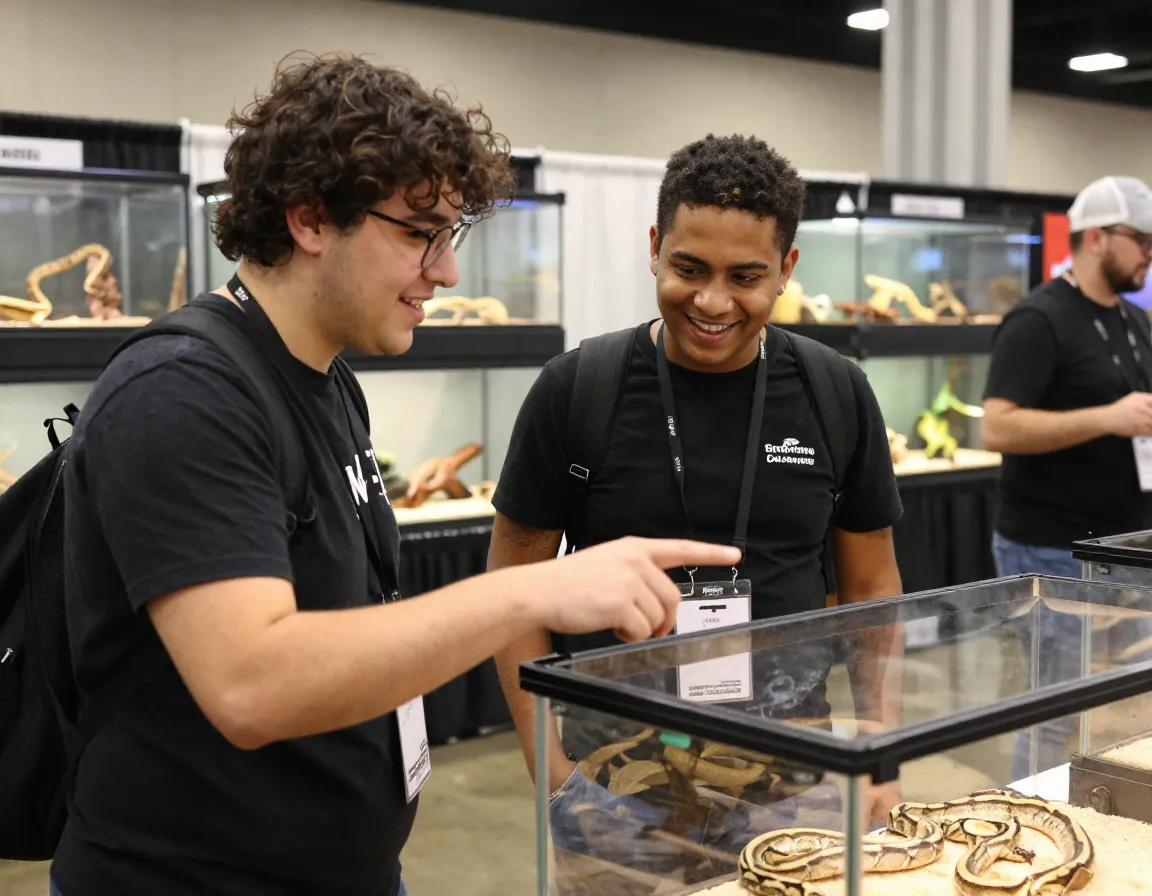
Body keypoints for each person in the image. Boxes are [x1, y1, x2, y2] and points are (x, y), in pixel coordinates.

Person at [50, 55, 741, 896]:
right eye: (419, 234)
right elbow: (251, 682)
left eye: (450, 237)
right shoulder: (182, 395)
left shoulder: (328, 381)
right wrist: (528, 595)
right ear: (309, 218)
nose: (446, 273)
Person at [489, 133, 906, 845]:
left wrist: (882, 756)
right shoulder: (579, 390)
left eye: (745, 276)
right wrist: (549, 765)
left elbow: (871, 587)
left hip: (795, 776)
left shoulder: (834, 392)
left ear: (786, 270)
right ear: (655, 247)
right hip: (612, 782)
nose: (713, 301)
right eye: (689, 268)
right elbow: (513, 582)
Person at [982, 174, 1152, 780]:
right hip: (1051, 546)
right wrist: (1108, 418)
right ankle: (1029, 828)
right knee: (1054, 710)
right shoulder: (1038, 319)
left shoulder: (1135, 323)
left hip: (1124, 549)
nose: (1149, 254)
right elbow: (997, 429)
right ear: (1098, 238)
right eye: (1141, 239)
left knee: (1117, 705)